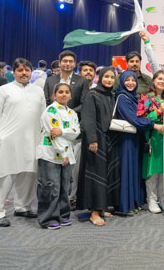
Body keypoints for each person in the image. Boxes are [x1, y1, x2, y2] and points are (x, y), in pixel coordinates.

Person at [0, 58, 47, 227]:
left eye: (27, 70)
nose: (24, 73)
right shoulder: (4, 90)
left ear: (31, 72)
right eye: (20, 70)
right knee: (3, 176)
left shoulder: (38, 91)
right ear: (13, 72)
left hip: (33, 140)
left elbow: (43, 116)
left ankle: (22, 207)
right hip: (7, 142)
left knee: (29, 175)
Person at [43, 50, 88, 206]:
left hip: (72, 131)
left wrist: (67, 114)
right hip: (53, 131)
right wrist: (57, 115)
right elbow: (46, 103)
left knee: (72, 167)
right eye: (65, 61)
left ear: (74, 64)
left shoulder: (81, 81)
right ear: (60, 62)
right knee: (53, 166)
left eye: (70, 61)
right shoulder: (50, 80)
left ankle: (71, 197)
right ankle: (53, 200)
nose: (67, 63)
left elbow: (84, 104)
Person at [114, 71, 160, 215]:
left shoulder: (134, 98)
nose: (130, 83)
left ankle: (134, 202)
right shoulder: (122, 98)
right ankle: (125, 205)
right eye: (126, 80)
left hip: (135, 138)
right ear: (121, 81)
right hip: (126, 139)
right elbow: (134, 119)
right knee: (127, 170)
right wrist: (153, 124)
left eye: (133, 80)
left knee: (134, 170)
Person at [36, 83, 80, 229]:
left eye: (67, 92)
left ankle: (63, 215)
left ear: (70, 95)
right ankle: (48, 218)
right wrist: (62, 153)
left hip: (67, 154)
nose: (63, 94)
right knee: (50, 187)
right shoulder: (50, 111)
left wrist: (62, 131)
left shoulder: (72, 113)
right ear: (54, 95)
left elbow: (76, 132)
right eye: (60, 92)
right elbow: (53, 135)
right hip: (51, 155)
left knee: (64, 187)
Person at [79, 67, 118, 226]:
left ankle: (102, 207)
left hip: (109, 140)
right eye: (106, 77)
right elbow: (87, 119)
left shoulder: (112, 95)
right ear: (100, 77)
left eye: (111, 77)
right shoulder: (92, 94)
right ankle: (94, 212)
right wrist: (92, 140)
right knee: (96, 175)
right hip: (96, 141)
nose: (109, 80)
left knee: (106, 174)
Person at [138, 71, 164, 214]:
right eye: (160, 79)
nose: (162, 82)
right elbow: (141, 119)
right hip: (153, 137)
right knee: (152, 171)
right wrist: (159, 110)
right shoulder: (146, 98)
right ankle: (151, 200)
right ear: (154, 80)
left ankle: (163, 199)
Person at [125, 31, 160, 95]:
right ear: (127, 64)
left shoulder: (147, 79)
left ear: (140, 63)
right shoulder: (119, 78)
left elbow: (151, 97)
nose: (134, 64)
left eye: (137, 61)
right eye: (131, 61)